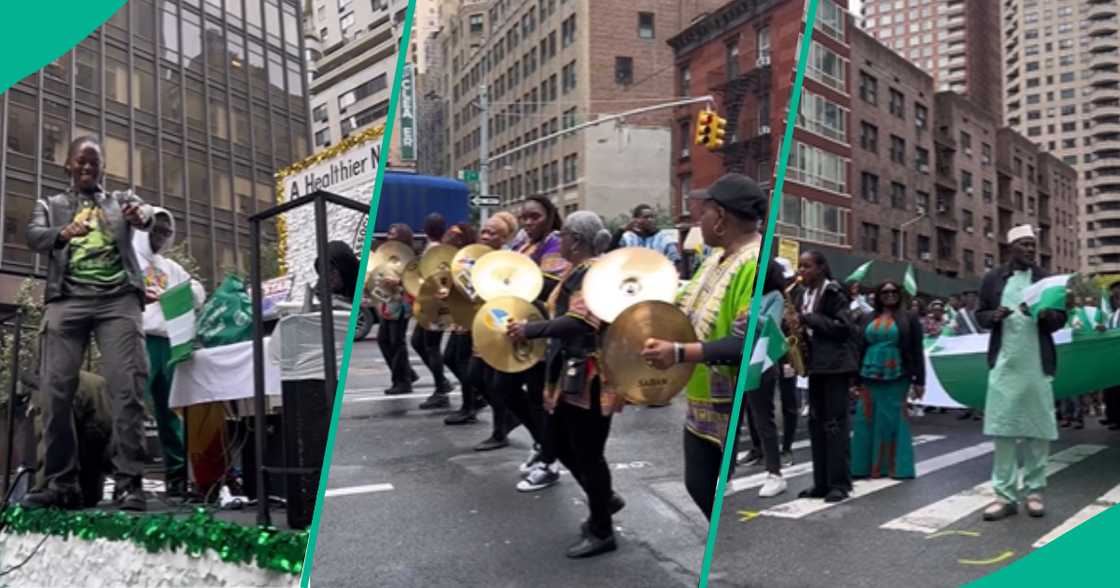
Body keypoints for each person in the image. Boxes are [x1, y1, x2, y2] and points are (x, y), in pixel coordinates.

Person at [24, 136, 155, 511]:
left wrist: (140, 216)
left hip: (118, 300)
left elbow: (147, 215)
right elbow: (34, 236)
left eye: (93, 163)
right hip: (67, 300)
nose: (86, 168)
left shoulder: (119, 201)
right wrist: (62, 233)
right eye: (80, 162)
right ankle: (61, 483)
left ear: (101, 169)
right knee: (54, 391)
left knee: (126, 389)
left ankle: (130, 484)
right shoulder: (50, 205)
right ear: (68, 165)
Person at [640, 173, 765, 518]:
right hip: (700, 397)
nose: (700, 220)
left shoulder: (755, 263)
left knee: (713, 491)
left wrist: (678, 353)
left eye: (704, 212)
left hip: (729, 399)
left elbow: (745, 344)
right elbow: (677, 308)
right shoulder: (715, 258)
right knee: (700, 485)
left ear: (721, 217)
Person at [507, 211, 625, 558]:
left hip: (589, 373)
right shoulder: (579, 271)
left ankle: (602, 528)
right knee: (558, 442)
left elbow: (580, 321)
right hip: (570, 372)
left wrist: (530, 330)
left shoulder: (595, 273)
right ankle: (604, 499)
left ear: (577, 239)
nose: (562, 240)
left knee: (588, 453)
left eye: (566, 234)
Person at [976, 225, 1066, 521]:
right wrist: (994, 316)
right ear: (1010, 248)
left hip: (1037, 364)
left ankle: (1035, 491)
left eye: (1033, 245)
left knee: (1037, 430)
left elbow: (1059, 319)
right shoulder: (993, 279)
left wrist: (1043, 315)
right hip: (1004, 363)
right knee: (1003, 430)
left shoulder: (1046, 280)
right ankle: (1005, 496)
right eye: (1024, 245)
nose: (1030, 250)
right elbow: (980, 317)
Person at [132, 208, 206, 497]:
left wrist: (183, 294)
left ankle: (176, 476)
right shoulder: (129, 257)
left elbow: (198, 292)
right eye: (156, 230)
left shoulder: (171, 267)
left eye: (166, 232)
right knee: (133, 408)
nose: (160, 236)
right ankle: (129, 478)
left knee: (171, 411)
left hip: (171, 341)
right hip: (140, 338)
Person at [503, 197, 571, 492]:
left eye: (535, 217)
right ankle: (543, 444)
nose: (528, 222)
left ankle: (549, 460)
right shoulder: (523, 245)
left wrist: (512, 276)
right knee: (502, 385)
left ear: (550, 216)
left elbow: (548, 286)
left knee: (539, 399)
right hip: (523, 330)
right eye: (524, 217)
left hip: (544, 333)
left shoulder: (555, 243)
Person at [794, 251, 858, 503]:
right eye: (800, 266)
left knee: (835, 426)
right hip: (815, 366)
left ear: (821, 268)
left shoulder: (833, 292)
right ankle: (820, 483)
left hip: (835, 366)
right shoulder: (801, 294)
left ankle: (839, 484)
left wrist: (810, 319)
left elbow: (845, 329)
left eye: (807, 266)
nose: (802, 270)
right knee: (816, 425)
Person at [851, 281, 924, 480]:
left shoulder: (909, 318)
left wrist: (920, 381)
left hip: (897, 376)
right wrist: (854, 380)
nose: (890, 295)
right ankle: (862, 467)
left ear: (899, 294)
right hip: (868, 375)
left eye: (893, 291)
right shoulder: (866, 318)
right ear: (877, 295)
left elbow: (917, 351)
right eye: (885, 292)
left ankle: (897, 468)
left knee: (894, 420)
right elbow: (859, 347)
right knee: (865, 418)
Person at [467, 212, 523, 438]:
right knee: (475, 376)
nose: (486, 236)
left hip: (501, 324)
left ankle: (500, 430)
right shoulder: (478, 257)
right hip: (482, 323)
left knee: (494, 381)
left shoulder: (509, 261)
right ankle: (509, 417)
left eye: (493, 233)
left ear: (505, 238)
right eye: (484, 231)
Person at [441, 223, 483, 425]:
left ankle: (469, 406)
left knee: (461, 360)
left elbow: (469, 290)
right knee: (450, 358)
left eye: (451, 237)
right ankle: (473, 396)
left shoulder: (468, 260)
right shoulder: (455, 259)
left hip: (469, 317)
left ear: (459, 240)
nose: (447, 239)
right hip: (460, 318)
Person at [415, 213, 454, 409]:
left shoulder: (434, 251)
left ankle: (441, 389)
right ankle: (442, 383)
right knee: (417, 342)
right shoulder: (435, 249)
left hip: (435, 307)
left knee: (431, 347)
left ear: (426, 230)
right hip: (431, 306)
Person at [378, 224, 419, 396]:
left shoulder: (409, 257)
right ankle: (407, 374)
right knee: (384, 340)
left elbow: (415, 280)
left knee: (396, 342)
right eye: (388, 233)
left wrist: (399, 282)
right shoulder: (389, 254)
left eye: (393, 234)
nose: (388, 237)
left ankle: (402, 381)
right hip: (389, 302)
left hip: (401, 304)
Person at [619, 204, 682, 271]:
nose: (650, 220)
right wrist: (621, 231)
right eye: (646, 217)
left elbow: (675, 259)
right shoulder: (629, 238)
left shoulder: (663, 237)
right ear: (636, 220)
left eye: (652, 217)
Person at [1102, 281, 1120, 430]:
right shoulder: (1113, 315)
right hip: (1112, 358)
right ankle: (1111, 416)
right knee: (1110, 389)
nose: (1114, 296)